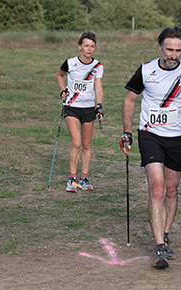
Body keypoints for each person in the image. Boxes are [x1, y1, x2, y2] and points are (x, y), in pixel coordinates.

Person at [120, 26, 181, 269]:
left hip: (178, 137)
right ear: (160, 47)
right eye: (169, 49)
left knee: (171, 190)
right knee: (157, 189)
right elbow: (130, 99)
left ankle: (165, 233)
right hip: (150, 134)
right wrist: (127, 131)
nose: (173, 55)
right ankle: (159, 247)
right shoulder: (146, 70)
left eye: (178, 50)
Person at [56, 30, 104, 192]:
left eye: (92, 46)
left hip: (88, 108)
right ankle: (72, 178)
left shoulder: (97, 66)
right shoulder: (70, 63)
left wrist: (99, 105)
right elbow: (59, 75)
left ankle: (84, 178)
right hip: (72, 107)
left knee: (86, 145)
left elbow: (98, 87)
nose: (89, 49)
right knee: (76, 142)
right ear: (80, 47)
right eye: (86, 46)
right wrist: (63, 90)